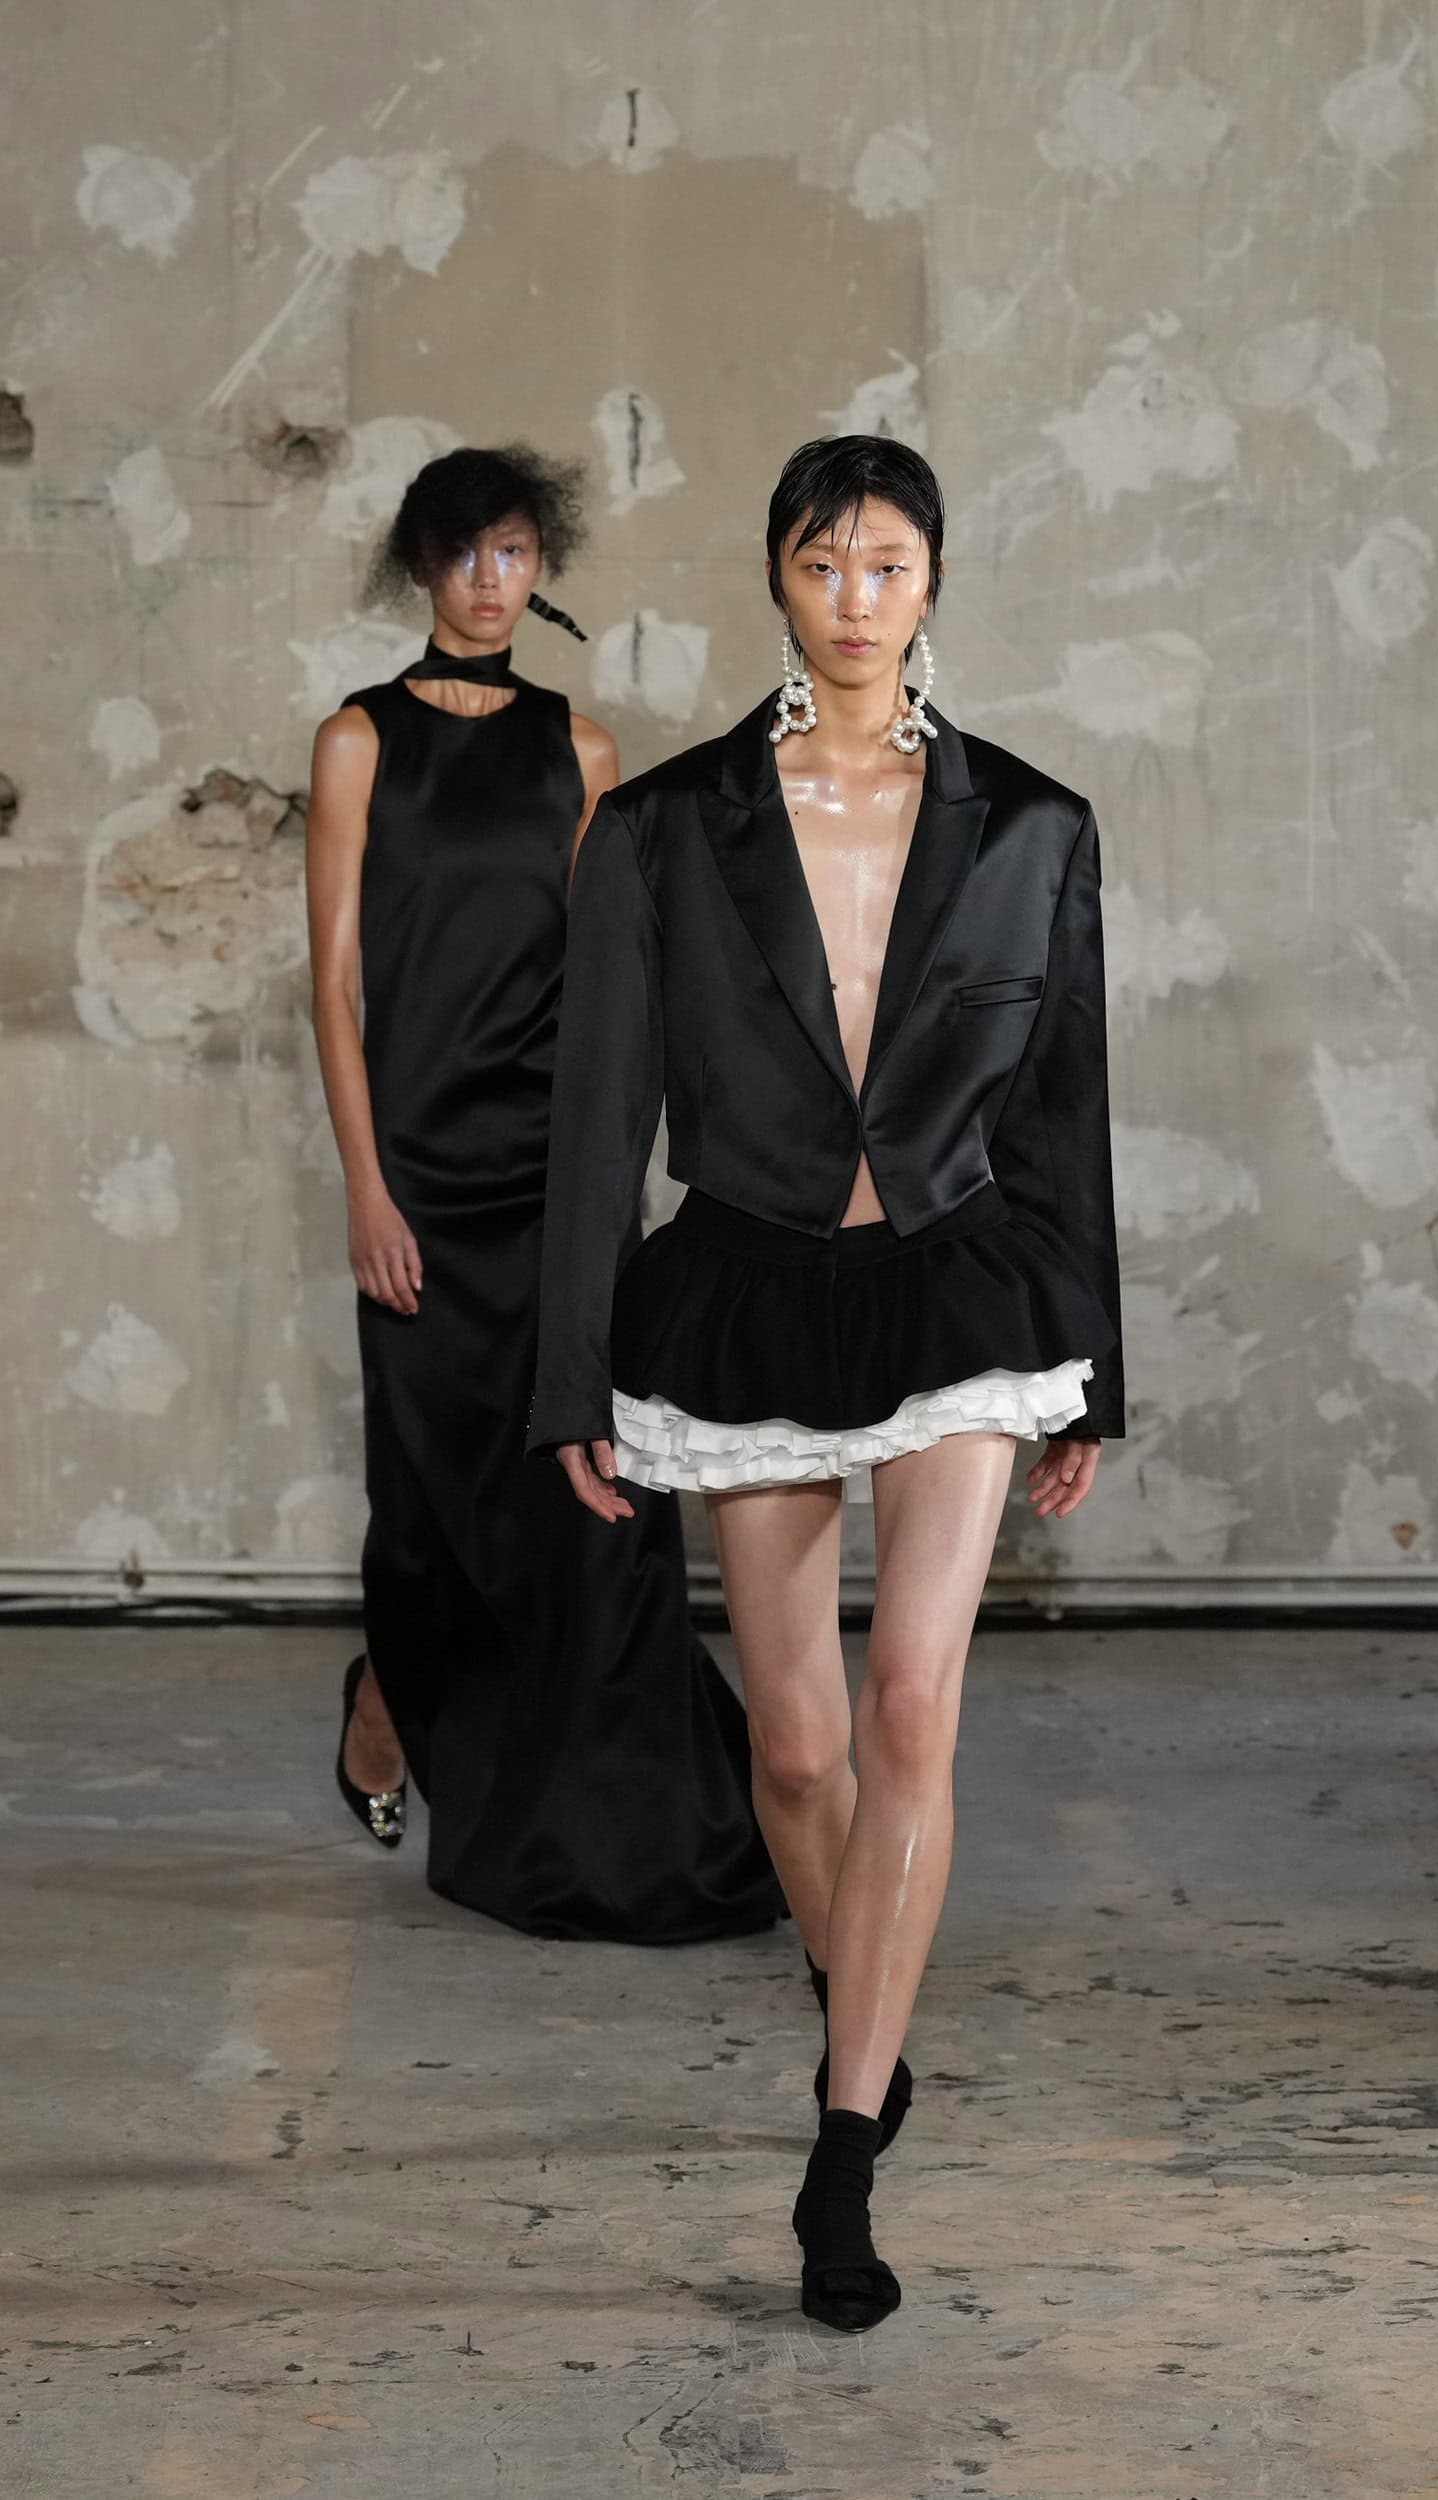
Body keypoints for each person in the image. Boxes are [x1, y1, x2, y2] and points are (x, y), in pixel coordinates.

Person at [529, 435, 1123, 2328]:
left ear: (933, 581)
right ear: (776, 580)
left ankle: (843, 2147)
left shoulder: (1034, 825)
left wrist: (1093, 1373)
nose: (856, 601)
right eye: (821, 564)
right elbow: (599, 1113)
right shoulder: (664, 826)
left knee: (910, 1709)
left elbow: (1066, 1108)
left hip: (959, 1294)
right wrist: (573, 1376)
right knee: (794, 1750)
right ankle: (859, 1984)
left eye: (888, 566)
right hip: (748, 1290)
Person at [304, 440, 782, 1944]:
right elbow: (334, 989)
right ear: (421, 567)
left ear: (541, 565)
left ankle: (622, 1833)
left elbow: (607, 994)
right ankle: (386, 1698)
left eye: (515, 552)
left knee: (597, 1514)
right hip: (418, 1185)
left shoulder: (583, 751)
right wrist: (366, 1189)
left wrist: (619, 1193)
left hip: (557, 1181)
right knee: (432, 1518)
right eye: (464, 555)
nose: (490, 581)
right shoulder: (357, 741)